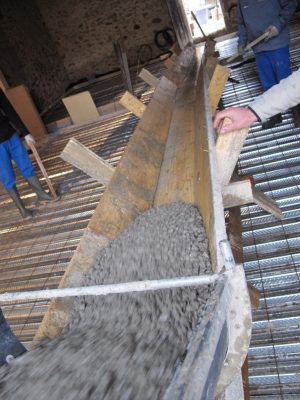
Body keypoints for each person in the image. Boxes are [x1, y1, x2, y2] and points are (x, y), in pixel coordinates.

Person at [237, 0, 298, 128]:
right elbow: (242, 24)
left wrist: (278, 25)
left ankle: (297, 113)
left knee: (286, 80)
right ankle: (275, 116)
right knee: (267, 82)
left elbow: (291, 3)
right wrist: (241, 42)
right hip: (258, 48)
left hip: (277, 44)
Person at [0, 89, 52, 219]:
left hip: (10, 135)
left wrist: (26, 133)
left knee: (26, 165)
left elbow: (9, 110)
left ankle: (41, 194)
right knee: (7, 177)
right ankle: (22, 210)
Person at [213, 68, 300, 134]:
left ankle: (297, 114)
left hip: (276, 46)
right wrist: (252, 113)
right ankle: (275, 117)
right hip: (260, 50)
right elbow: (295, 84)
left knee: (283, 73)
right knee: (269, 82)